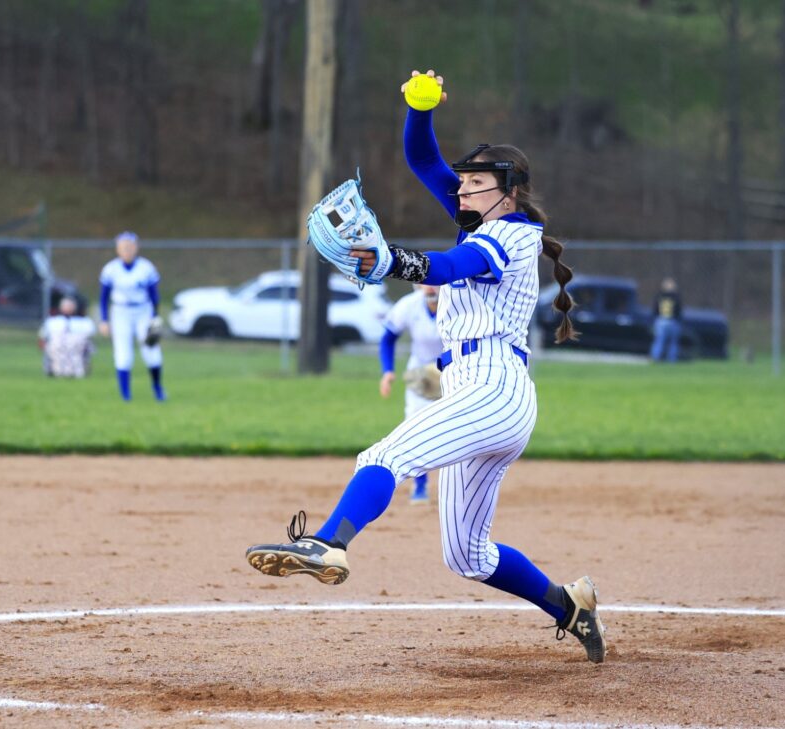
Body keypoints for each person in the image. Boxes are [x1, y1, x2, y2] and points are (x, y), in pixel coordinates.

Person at [247, 70, 608, 664]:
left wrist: (390, 260)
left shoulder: (515, 234)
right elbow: (421, 159)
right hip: (476, 392)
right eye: (462, 183)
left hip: (494, 388)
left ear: (509, 193)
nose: (462, 191)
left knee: (384, 456)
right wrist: (420, 108)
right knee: (467, 555)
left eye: (476, 183)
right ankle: (570, 606)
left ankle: (329, 543)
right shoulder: (481, 219)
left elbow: (449, 266)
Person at [378, 284, 444, 503]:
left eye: (434, 281)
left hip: (453, 369)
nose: (430, 287)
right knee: (415, 429)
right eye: (425, 282)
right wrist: (388, 371)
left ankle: (461, 485)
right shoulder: (409, 305)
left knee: (458, 428)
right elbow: (388, 338)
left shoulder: (458, 301)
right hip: (421, 372)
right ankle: (420, 485)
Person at [98, 232, 165, 402]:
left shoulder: (146, 267)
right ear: (117, 249)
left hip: (143, 310)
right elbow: (104, 297)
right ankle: (125, 394)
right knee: (123, 353)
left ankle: (157, 388)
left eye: (130, 246)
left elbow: (154, 295)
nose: (127, 250)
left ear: (136, 247)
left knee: (151, 351)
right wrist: (104, 319)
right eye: (123, 247)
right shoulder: (111, 269)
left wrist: (155, 317)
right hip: (120, 312)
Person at [38, 296, 96, 378]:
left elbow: (89, 337)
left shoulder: (84, 321)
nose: (68, 308)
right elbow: (43, 336)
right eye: (66, 306)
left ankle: (77, 371)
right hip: (58, 348)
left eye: (70, 306)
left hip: (77, 347)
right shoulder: (53, 321)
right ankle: (56, 371)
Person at [650, 277, 683, 362]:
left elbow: (655, 309)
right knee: (671, 342)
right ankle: (671, 359)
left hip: (661, 320)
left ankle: (656, 357)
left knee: (660, 341)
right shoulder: (676, 297)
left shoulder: (659, 296)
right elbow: (679, 310)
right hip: (671, 320)